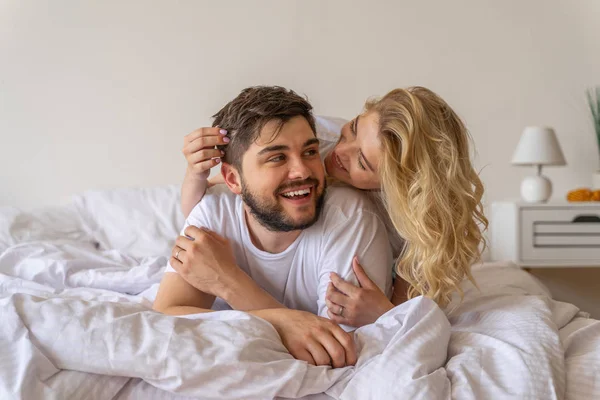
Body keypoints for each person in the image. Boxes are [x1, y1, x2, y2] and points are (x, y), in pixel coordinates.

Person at [179, 86, 488, 328]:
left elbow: (404, 316)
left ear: (397, 185)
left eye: (362, 162)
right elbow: (222, 198)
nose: (340, 152)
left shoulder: (419, 227)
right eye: (352, 130)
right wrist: (195, 171)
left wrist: (383, 312)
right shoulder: (319, 141)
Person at [153, 86, 393, 368]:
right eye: (277, 157)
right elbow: (167, 313)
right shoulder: (214, 210)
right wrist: (280, 319)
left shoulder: (349, 216)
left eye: (310, 151)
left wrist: (228, 282)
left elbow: (337, 354)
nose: (302, 171)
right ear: (232, 180)